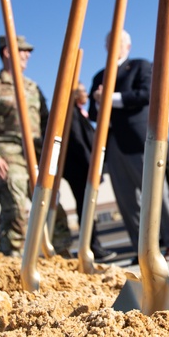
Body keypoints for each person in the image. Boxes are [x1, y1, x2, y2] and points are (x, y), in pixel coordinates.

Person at [0, 35, 72, 257]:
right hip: (7, 154)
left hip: (36, 154)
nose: (28, 55)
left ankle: (62, 255)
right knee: (15, 206)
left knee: (51, 203)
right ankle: (13, 258)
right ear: (7, 52)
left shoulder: (33, 88)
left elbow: (47, 124)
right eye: (22, 50)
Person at [88, 30, 169, 261]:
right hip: (113, 144)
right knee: (127, 202)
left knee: (155, 194)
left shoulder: (140, 66)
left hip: (138, 140)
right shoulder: (99, 76)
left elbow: (147, 94)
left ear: (128, 46)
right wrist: (100, 103)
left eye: (117, 42)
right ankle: (143, 250)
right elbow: (93, 112)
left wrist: (110, 98)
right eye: (109, 41)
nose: (112, 46)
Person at [63, 82, 118, 262]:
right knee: (85, 206)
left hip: (83, 167)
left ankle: (92, 245)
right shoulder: (71, 113)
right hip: (80, 169)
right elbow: (79, 142)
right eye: (83, 91)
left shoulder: (79, 112)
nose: (87, 94)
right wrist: (93, 166)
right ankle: (91, 246)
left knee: (87, 206)